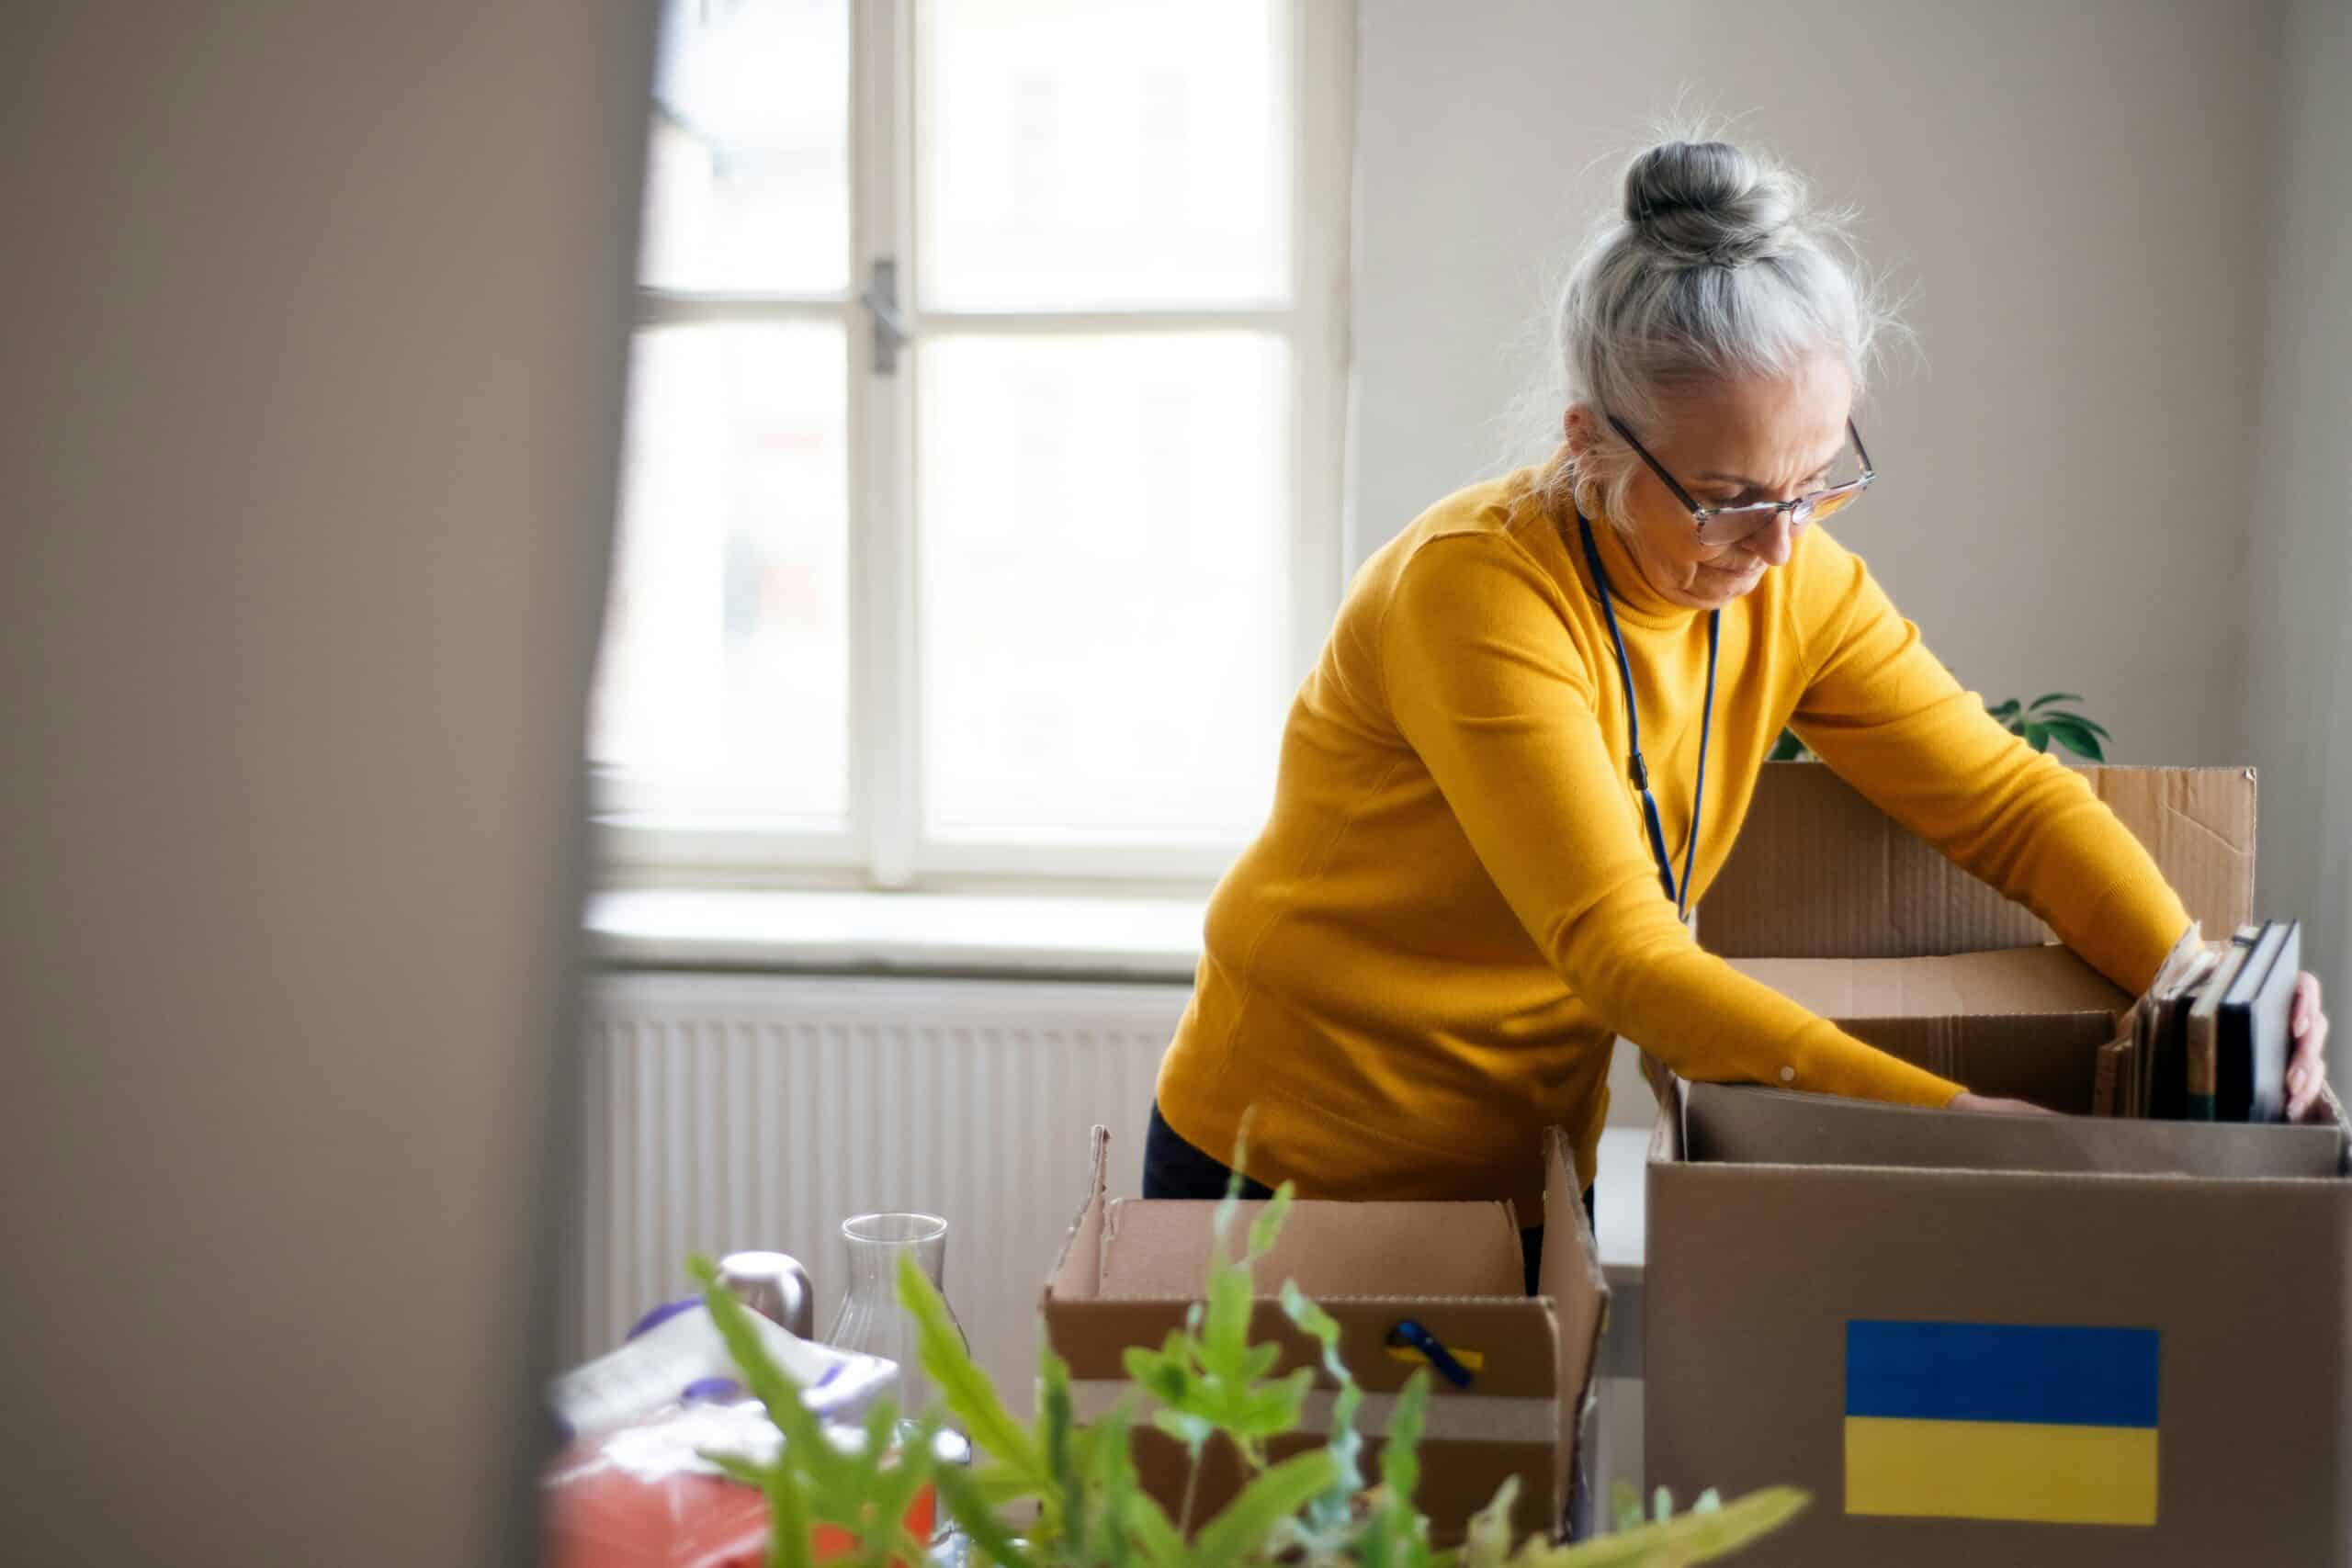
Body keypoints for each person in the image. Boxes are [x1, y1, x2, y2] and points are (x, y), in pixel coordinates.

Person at [1143, 134, 2333, 1296]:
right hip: (1282, 1165)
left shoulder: (1793, 576)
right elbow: (1625, 952)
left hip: (1514, 1172)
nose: (1778, 544)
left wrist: (2199, 981)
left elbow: (2006, 802)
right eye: (1728, 500)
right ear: (1591, 444)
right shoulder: (1476, 593)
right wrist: (1961, 1124)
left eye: (1817, 483)